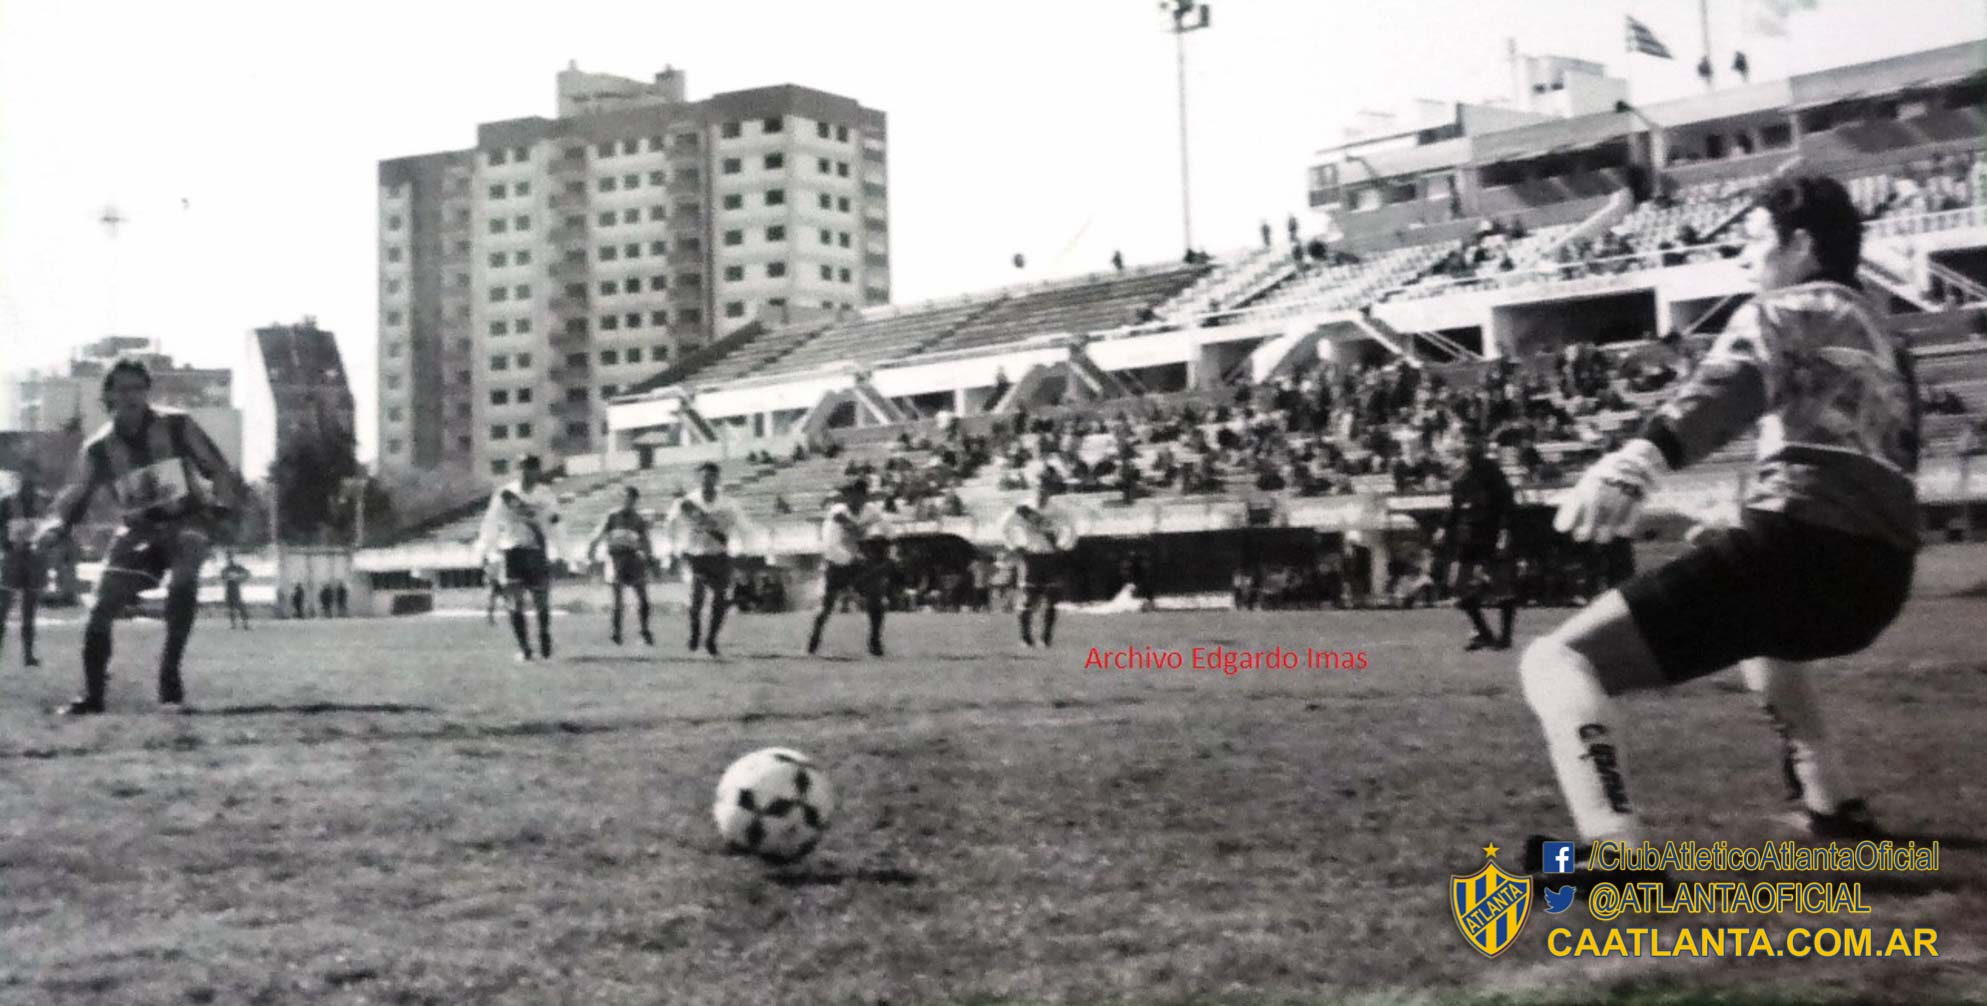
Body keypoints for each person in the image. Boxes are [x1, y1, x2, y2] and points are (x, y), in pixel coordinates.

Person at [1519, 175, 1920, 888]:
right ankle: (1834, 806)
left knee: (1556, 662)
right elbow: (1865, 466)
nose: (1746, 259)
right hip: (1881, 579)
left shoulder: (1788, 306)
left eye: (1755, 241)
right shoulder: (1889, 338)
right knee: (1764, 638)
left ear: (1799, 245)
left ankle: (1618, 852)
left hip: (1800, 549)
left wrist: (1640, 456)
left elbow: (1727, 385)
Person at [33, 358, 247, 713]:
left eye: (138, 388)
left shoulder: (177, 425)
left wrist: (222, 509)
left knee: (183, 581)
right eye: (122, 389)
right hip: (138, 530)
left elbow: (218, 468)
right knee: (101, 607)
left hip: (186, 520)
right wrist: (56, 526)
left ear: (148, 391)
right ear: (109, 395)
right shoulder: (99, 448)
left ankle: (169, 675)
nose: (131, 396)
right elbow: (75, 496)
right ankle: (93, 696)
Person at [474, 454, 563, 662]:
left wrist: (559, 550)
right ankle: (524, 648)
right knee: (515, 602)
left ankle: (544, 635)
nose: (525, 471)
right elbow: (491, 523)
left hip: (536, 551)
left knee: (542, 601)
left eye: (530, 467)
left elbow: (555, 521)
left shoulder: (545, 494)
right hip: (512, 551)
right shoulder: (505, 494)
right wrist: (484, 550)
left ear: (537, 470)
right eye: (521, 467)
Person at [1445, 430, 1518, 650]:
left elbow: (1507, 503)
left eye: (1472, 440)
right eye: (1465, 440)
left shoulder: (1492, 470)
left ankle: (1505, 638)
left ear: (1481, 443)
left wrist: (1505, 531)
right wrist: (1444, 527)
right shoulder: (1459, 473)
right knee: (1457, 584)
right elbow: (1455, 506)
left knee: (1502, 586)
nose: (1468, 445)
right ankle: (1484, 633)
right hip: (1467, 535)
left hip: (1490, 533)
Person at [663, 463, 744, 657]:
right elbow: (669, 524)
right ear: (698, 479)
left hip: (718, 554)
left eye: (711, 476)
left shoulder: (726, 503)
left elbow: (737, 524)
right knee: (696, 597)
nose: (707, 480)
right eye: (703, 476)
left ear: (717, 479)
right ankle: (695, 633)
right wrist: (674, 548)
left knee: (720, 600)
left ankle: (711, 639)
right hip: (695, 554)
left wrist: (739, 547)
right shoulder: (688, 501)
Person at [808, 479, 891, 658]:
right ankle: (815, 638)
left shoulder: (873, 512)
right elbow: (830, 545)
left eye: (858, 495)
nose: (854, 499)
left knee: (876, 599)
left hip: (861, 564)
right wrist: (852, 558)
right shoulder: (836, 514)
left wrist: (885, 550)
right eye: (850, 494)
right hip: (837, 564)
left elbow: (889, 533)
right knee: (826, 605)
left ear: (864, 496)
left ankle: (875, 640)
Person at [999, 484, 1078, 650]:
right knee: (1028, 598)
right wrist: (1014, 546)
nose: (1041, 496)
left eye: (1044, 493)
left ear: (1049, 493)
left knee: (1051, 599)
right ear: (1034, 493)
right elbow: (1003, 526)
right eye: (1038, 493)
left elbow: (1071, 528)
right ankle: (1025, 638)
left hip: (1051, 558)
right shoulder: (1024, 509)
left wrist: (1064, 546)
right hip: (1031, 558)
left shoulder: (1057, 510)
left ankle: (1046, 639)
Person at [586, 486, 657, 646]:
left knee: (643, 598)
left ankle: (644, 631)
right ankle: (616, 632)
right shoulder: (612, 516)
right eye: (625, 498)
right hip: (615, 559)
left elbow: (645, 540)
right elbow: (596, 536)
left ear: (635, 501)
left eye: (631, 499)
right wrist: (591, 555)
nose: (628, 501)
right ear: (621, 499)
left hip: (633, 558)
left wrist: (650, 557)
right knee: (617, 600)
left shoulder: (638, 519)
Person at [0, 465, 45, 666]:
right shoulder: (7, 501)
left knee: (30, 609)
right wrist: (7, 544)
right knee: (3, 607)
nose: (29, 478)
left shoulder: (43, 501)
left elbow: (52, 525)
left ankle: (28, 655)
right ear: (20, 477)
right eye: (26, 474)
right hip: (13, 557)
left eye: (32, 473)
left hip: (35, 558)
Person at [220, 551, 252, 630]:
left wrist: (238, 578)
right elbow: (223, 577)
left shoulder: (236, 567)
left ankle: (245, 624)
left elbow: (247, 574)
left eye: (230, 557)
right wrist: (231, 577)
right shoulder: (226, 568)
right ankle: (234, 624)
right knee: (231, 607)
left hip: (235, 587)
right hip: (229, 588)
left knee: (239, 605)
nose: (229, 559)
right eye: (228, 558)